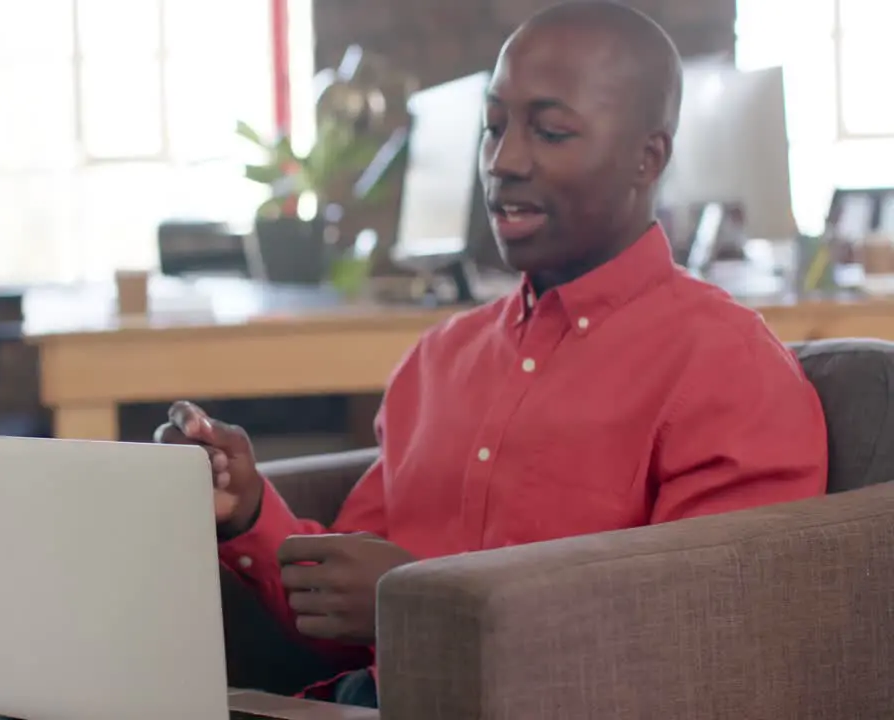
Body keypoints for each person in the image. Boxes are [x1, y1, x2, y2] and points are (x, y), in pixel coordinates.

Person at [157, 0, 828, 709]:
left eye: (550, 131)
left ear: (648, 156)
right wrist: (251, 507)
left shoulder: (728, 367)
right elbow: (345, 608)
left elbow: (708, 634)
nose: (503, 162)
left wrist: (419, 598)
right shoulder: (439, 360)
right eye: (494, 127)